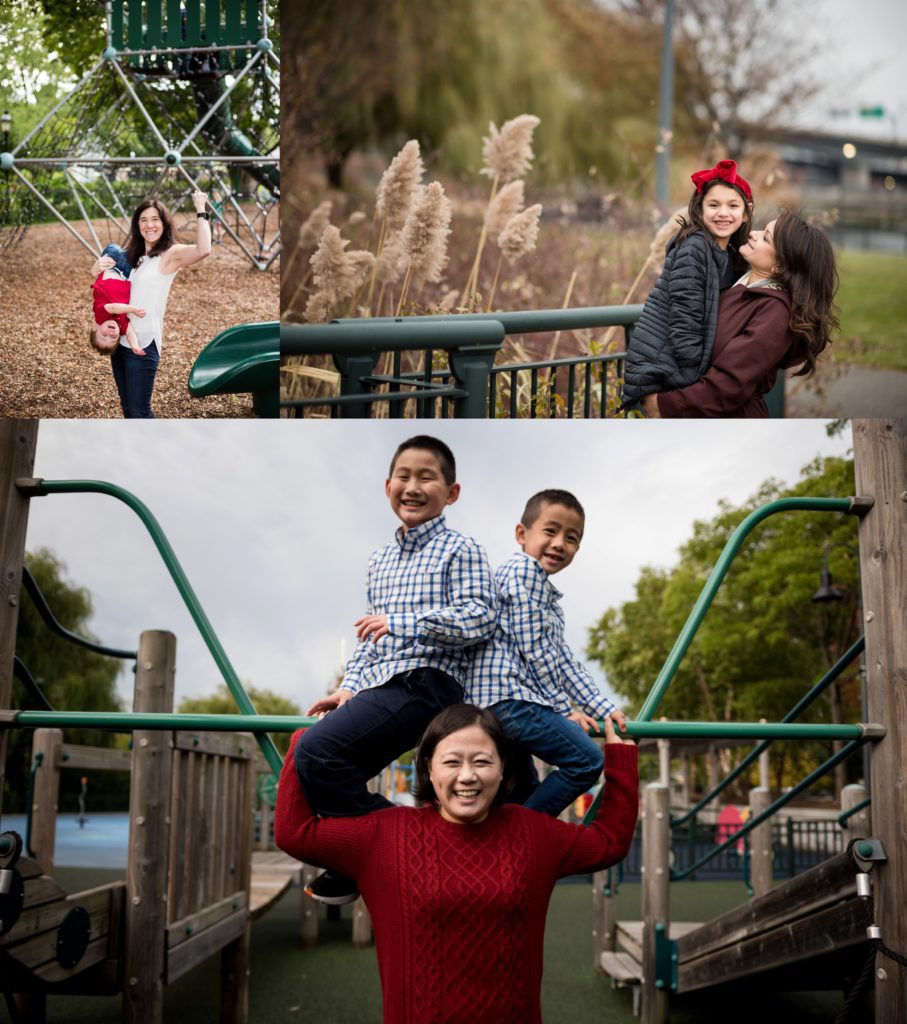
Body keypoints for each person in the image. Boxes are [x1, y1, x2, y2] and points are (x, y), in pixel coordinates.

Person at [275, 704, 638, 1024]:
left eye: (482, 761)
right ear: (429, 770)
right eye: (451, 762)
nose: (467, 776)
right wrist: (306, 744)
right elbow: (294, 833)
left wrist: (620, 762)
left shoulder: (532, 833)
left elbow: (608, 843)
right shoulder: (384, 836)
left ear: (502, 770)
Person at [295, 435, 497, 905]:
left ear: (452, 492)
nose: (413, 486)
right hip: (386, 685)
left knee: (316, 752)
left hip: (430, 682)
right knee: (328, 759)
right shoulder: (379, 560)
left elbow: (481, 617)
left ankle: (376, 851)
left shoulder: (460, 548)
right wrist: (348, 688)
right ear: (387, 486)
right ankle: (367, 856)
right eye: (403, 476)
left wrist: (404, 623)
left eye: (427, 477)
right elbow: (372, 638)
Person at [466, 488, 627, 817]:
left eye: (571, 538)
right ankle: (522, 838)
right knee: (586, 760)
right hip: (508, 700)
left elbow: (562, 658)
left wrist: (601, 705)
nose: (559, 544)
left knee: (520, 790)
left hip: (504, 705)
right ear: (522, 534)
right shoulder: (522, 573)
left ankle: (504, 846)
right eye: (550, 531)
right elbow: (534, 646)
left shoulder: (544, 594)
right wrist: (563, 709)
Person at [649, 212, 839, 418]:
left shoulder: (775, 314)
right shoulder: (735, 280)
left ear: (781, 265)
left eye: (765, 237)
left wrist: (664, 404)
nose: (753, 234)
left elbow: (727, 383)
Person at [621, 159, 754, 411]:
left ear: (746, 212)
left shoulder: (732, 254)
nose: (723, 213)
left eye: (732, 205)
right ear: (700, 209)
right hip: (664, 367)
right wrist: (700, 382)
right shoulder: (694, 248)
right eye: (713, 205)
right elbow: (685, 322)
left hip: (681, 368)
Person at [92, 189, 211, 417]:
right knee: (128, 409)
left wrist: (200, 209)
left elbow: (204, 250)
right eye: (143, 220)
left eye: (155, 219)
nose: (149, 225)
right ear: (137, 225)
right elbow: (104, 287)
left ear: (164, 223)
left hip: (143, 344)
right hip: (120, 340)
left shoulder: (170, 255)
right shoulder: (130, 257)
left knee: (140, 412)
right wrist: (96, 268)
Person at [90, 243, 146, 357]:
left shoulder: (100, 316)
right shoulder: (121, 324)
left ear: (95, 327)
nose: (110, 333)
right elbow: (130, 332)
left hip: (112, 265)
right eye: (113, 337)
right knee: (140, 248)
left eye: (104, 335)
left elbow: (113, 307)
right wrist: (135, 346)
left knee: (117, 249)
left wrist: (132, 309)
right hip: (126, 273)